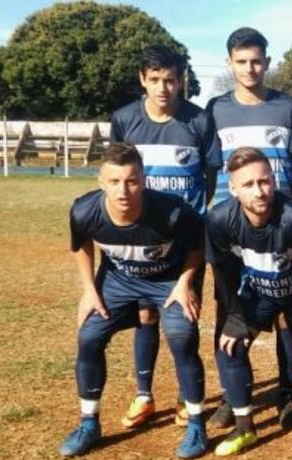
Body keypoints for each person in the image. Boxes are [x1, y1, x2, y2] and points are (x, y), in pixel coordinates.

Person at [59, 143, 208, 459]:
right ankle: (89, 423)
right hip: (120, 281)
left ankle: (196, 424)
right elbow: (81, 245)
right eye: (114, 182)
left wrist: (185, 284)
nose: (123, 190)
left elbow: (198, 246)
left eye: (131, 181)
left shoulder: (173, 212)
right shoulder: (84, 211)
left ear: (143, 180)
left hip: (168, 280)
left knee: (182, 336)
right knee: (89, 337)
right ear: (101, 181)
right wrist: (89, 290)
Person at [110, 44, 223, 429]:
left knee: (183, 319)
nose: (163, 88)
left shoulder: (199, 121)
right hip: (141, 241)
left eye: (171, 80)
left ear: (181, 81)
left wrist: (189, 216)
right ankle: (143, 395)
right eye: (155, 79)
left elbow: (210, 176)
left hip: (186, 243)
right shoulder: (125, 119)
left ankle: (184, 396)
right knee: (145, 315)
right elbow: (117, 172)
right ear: (143, 79)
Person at [207, 27, 292, 431]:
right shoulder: (216, 109)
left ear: (267, 62)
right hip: (233, 231)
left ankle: (286, 392)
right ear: (230, 63)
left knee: (285, 313)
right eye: (241, 61)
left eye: (256, 61)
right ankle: (234, 396)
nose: (250, 68)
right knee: (229, 308)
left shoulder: (288, 107)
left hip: (278, 226)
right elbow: (211, 162)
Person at [206, 147, 292, 460]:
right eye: (248, 184)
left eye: (264, 181)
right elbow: (222, 271)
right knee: (230, 346)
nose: (259, 191)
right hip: (260, 291)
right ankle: (245, 427)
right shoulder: (219, 219)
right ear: (233, 188)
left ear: (274, 181)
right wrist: (235, 316)